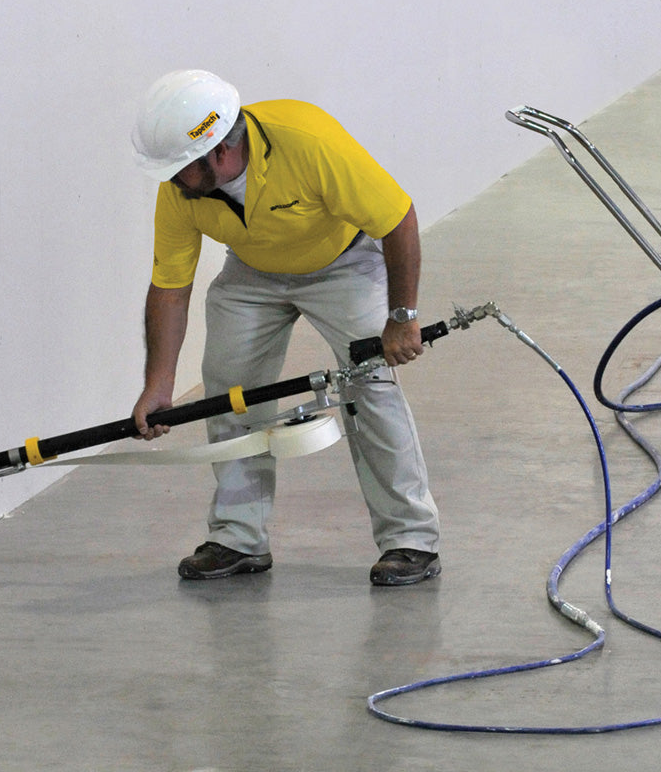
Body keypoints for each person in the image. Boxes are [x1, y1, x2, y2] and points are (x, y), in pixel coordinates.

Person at [130, 70, 440, 586]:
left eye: (180, 168)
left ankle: (411, 539)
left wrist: (402, 316)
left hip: (344, 263)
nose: (172, 180)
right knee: (228, 393)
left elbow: (398, 219)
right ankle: (238, 537)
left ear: (219, 151)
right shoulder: (181, 191)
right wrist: (158, 384)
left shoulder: (308, 140)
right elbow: (170, 287)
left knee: (371, 388)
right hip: (252, 271)